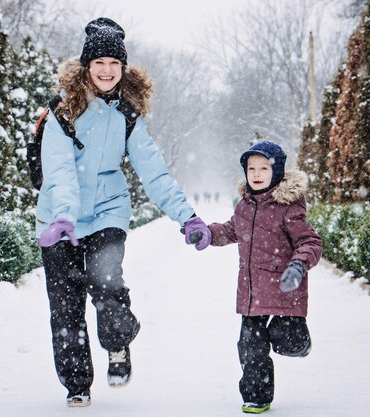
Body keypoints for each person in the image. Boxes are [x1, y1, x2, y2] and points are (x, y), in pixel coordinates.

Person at [35, 17, 211, 408]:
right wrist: (63, 215)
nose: (107, 70)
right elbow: (60, 171)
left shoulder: (128, 117)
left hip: (107, 211)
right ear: (86, 65)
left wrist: (187, 217)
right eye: (99, 61)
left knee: (105, 281)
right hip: (57, 217)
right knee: (64, 305)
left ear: (123, 67)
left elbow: (155, 173)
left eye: (115, 62)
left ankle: (117, 345)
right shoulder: (61, 115)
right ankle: (77, 383)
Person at [206, 141, 322, 414]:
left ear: (277, 171)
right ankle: (256, 396)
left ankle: (301, 343)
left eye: (264, 168)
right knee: (250, 346)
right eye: (251, 168)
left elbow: (310, 241)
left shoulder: (288, 207)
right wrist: (208, 234)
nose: (256, 173)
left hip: (285, 287)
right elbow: (230, 230)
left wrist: (297, 266)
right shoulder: (244, 206)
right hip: (253, 291)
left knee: (286, 339)